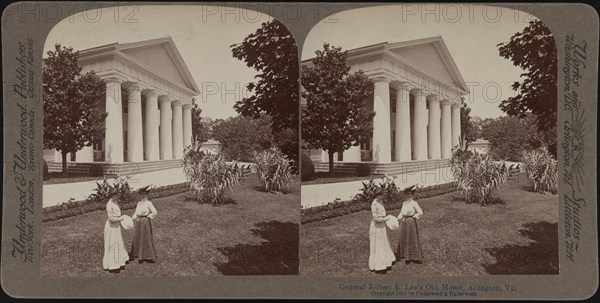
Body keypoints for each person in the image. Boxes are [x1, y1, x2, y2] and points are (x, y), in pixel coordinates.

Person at [129, 185, 158, 263]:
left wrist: (149, 216)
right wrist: (133, 217)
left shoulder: (148, 203)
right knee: (137, 237)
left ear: (147, 195)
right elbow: (136, 212)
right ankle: (137, 254)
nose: (143, 195)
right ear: (140, 195)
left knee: (145, 237)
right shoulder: (139, 203)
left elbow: (155, 212)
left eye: (144, 194)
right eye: (141, 194)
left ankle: (147, 255)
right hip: (138, 222)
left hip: (145, 222)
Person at [103, 189, 129, 272]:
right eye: (116, 195)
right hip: (111, 227)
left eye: (118, 194)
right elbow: (111, 218)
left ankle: (120, 261)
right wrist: (121, 218)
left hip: (116, 226)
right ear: (112, 195)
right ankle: (113, 264)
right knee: (113, 243)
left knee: (118, 242)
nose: (118, 196)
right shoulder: (109, 204)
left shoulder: (115, 202)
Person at [368, 193, 396, 273]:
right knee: (378, 244)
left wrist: (385, 218)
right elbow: (376, 218)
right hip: (377, 226)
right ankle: (379, 265)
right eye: (382, 195)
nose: (383, 196)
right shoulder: (374, 204)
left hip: (382, 226)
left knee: (384, 243)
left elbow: (382, 213)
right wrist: (385, 219)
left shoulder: (380, 201)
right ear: (377, 195)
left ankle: (387, 261)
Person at [396, 185, 424, 263]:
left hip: (411, 222)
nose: (408, 195)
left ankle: (414, 256)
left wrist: (414, 216)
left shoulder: (414, 203)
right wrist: (398, 218)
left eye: (409, 194)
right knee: (404, 237)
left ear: (412, 194)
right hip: (404, 222)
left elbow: (420, 212)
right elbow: (402, 213)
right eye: (407, 194)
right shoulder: (404, 203)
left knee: (411, 237)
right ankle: (404, 254)